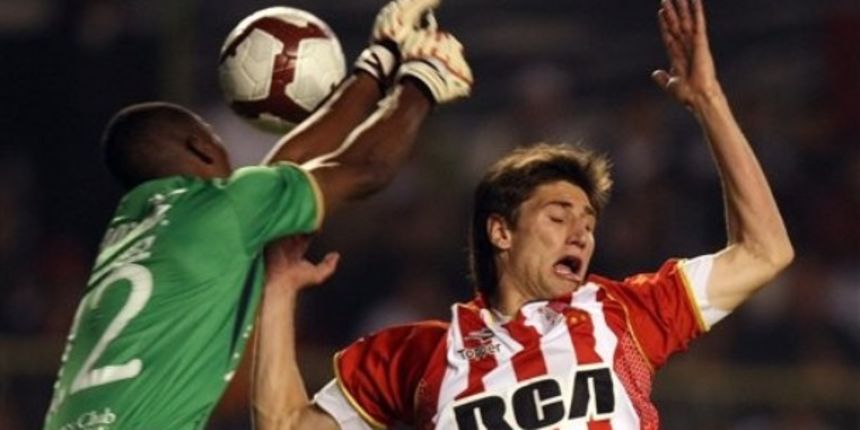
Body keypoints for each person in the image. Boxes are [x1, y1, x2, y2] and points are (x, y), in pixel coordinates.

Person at [254, 0, 794, 429]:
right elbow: (284, 425)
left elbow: (766, 251)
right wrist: (277, 289)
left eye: (588, 221)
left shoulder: (619, 313)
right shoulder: (420, 355)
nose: (582, 232)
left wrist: (709, 101)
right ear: (500, 231)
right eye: (560, 215)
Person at [42, 0, 473, 428]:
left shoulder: (138, 228)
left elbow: (285, 171)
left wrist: (377, 63)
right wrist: (424, 79)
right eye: (214, 137)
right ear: (199, 147)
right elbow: (366, 169)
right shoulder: (222, 210)